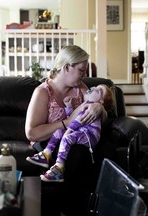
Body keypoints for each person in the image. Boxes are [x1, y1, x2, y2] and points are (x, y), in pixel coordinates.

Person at [25, 45, 107, 215]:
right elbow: (32, 133)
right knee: (77, 154)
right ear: (67, 67)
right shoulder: (42, 92)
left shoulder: (80, 88)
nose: (84, 75)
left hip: (75, 138)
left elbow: (99, 110)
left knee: (104, 149)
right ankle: (71, 209)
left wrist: (100, 109)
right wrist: (66, 122)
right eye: (81, 70)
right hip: (48, 143)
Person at [26, 84, 115, 182]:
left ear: (101, 101)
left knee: (67, 138)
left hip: (89, 135)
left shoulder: (90, 107)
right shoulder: (86, 104)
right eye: (95, 87)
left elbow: (79, 121)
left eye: (98, 91)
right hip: (82, 132)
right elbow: (73, 118)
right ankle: (46, 154)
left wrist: (69, 131)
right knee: (59, 132)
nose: (93, 88)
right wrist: (68, 107)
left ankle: (59, 169)